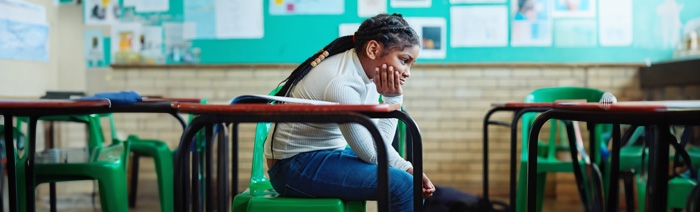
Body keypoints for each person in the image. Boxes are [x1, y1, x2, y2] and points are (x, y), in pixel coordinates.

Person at [264, 13, 435, 211]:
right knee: (405, 188)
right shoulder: (342, 82)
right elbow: (372, 153)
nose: (407, 72)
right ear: (373, 49)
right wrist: (393, 99)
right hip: (292, 168)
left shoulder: (367, 75)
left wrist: (405, 167)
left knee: (405, 180)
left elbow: (376, 143)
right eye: (404, 60)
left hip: (319, 156)